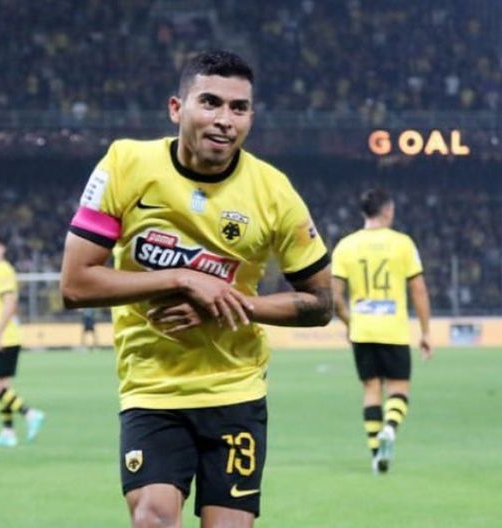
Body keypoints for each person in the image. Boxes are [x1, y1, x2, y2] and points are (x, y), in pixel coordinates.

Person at [60, 50, 332, 528]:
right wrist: (184, 278)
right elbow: (75, 284)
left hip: (235, 389)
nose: (225, 119)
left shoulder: (274, 192)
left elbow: (322, 304)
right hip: (153, 389)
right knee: (153, 517)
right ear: (176, 108)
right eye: (210, 102)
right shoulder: (125, 164)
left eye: (238, 108)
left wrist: (225, 304)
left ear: (250, 118)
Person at [331, 189, 433, 474]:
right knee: (398, 389)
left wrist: (350, 323)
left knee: (371, 389)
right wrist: (426, 331)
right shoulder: (403, 244)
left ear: (364, 212)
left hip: (362, 330)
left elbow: (334, 297)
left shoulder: (346, 246)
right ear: (388, 210)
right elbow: (419, 290)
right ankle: (390, 427)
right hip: (393, 329)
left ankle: (377, 455)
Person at [0, 234, 45, 447]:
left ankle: (30, 413)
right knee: (3, 385)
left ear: (1, 249)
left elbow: (9, 303)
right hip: (4, 336)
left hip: (4, 338)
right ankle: (8, 432)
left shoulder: (3, 270)